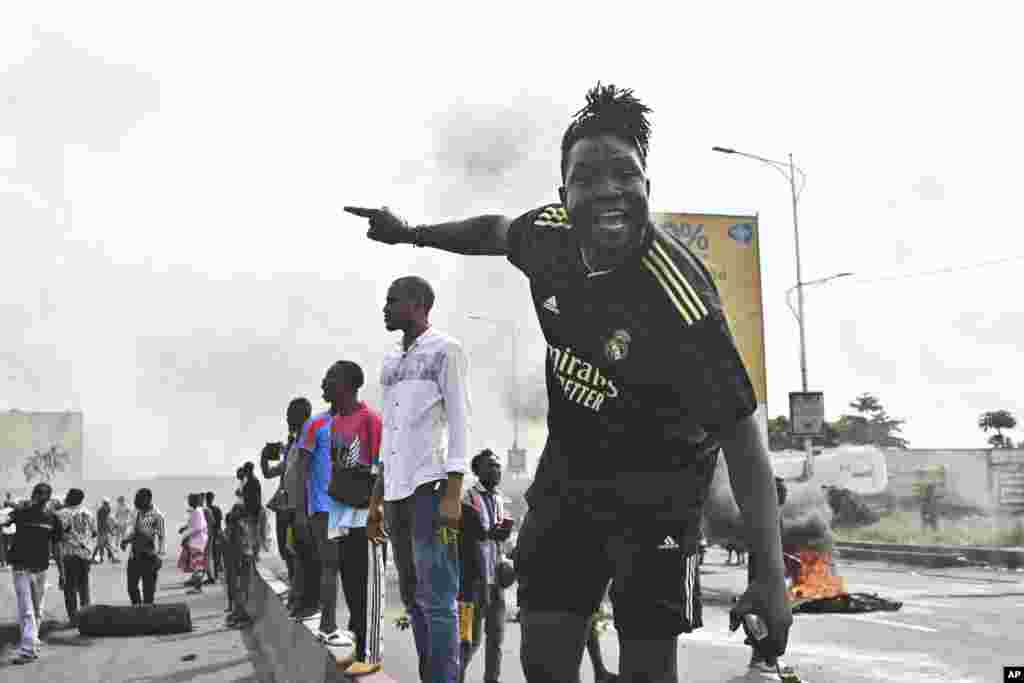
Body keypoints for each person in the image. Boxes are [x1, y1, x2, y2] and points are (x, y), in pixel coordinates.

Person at [345, 83, 791, 682]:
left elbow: (744, 441)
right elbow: (492, 231)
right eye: (587, 177)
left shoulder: (683, 303)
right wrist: (412, 233)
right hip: (571, 483)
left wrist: (769, 577)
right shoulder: (547, 237)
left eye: (624, 174)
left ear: (647, 189)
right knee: (544, 661)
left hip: (659, 498)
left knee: (646, 669)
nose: (608, 189)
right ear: (563, 195)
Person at [365, 275, 472, 683]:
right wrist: (376, 500)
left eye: (392, 300)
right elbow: (389, 433)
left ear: (418, 304)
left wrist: (453, 492)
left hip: (431, 487)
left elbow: (461, 421)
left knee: (438, 599)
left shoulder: (446, 350)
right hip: (395, 491)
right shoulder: (391, 360)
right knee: (412, 598)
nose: (386, 308)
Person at [301, 360, 382, 661]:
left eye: (330, 378)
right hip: (339, 513)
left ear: (348, 385)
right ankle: (359, 645)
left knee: (365, 585)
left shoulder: (371, 420)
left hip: (364, 513)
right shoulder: (332, 424)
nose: (323, 383)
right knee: (349, 581)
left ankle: (367, 653)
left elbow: (382, 469)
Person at [458, 450, 513, 683]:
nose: (496, 470)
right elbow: (465, 537)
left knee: (496, 640)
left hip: (497, 583)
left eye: (498, 466)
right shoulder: (467, 498)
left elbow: (502, 542)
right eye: (490, 466)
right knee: (469, 641)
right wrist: (488, 534)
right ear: (477, 470)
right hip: (473, 583)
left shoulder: (501, 499)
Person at [1, 483, 63, 665]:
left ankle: (32, 641)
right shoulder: (23, 513)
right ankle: (28, 649)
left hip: (41, 569)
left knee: (36, 610)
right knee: (27, 611)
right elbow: (5, 522)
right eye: (39, 495)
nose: (40, 499)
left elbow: (57, 547)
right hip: (22, 569)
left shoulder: (52, 518)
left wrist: (62, 572)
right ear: (34, 496)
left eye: (44, 496)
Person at [260, 397, 313, 588]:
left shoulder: (305, 444)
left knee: (296, 552)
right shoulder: (291, 450)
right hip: (285, 507)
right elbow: (268, 473)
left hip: (298, 508)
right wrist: (264, 457)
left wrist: (301, 511)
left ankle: (300, 592)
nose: (287, 419)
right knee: (286, 550)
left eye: (290, 415)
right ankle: (295, 588)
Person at [224, 487, 270, 628]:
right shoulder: (239, 527)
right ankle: (240, 613)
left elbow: (245, 544)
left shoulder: (236, 528)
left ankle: (241, 615)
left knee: (241, 587)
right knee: (241, 587)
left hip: (241, 558)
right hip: (242, 558)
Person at [57, 488, 96, 627]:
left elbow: (57, 535)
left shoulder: (61, 514)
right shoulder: (88, 513)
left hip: (69, 554)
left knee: (70, 588)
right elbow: (94, 533)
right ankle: (86, 617)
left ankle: (74, 619)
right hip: (85, 554)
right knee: (84, 586)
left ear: (70, 498)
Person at [121, 488, 166, 606]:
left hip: (149, 557)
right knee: (131, 588)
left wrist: (160, 556)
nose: (137, 503)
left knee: (148, 590)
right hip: (134, 556)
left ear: (148, 499)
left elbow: (161, 536)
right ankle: (138, 610)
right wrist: (125, 540)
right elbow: (131, 530)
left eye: (140, 501)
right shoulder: (135, 512)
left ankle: (147, 615)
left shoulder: (157, 515)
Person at [178, 493, 208, 594]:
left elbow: (197, 528)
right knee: (197, 565)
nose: (189, 502)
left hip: (198, 542)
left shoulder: (197, 512)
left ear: (194, 501)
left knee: (198, 565)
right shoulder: (196, 511)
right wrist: (185, 528)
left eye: (190, 500)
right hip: (197, 541)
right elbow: (194, 525)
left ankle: (198, 588)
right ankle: (196, 586)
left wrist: (186, 535)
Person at [92, 498, 118, 564]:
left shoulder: (105, 509)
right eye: (106, 504)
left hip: (104, 530)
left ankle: (112, 558)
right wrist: (110, 531)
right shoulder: (102, 511)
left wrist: (110, 530)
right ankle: (98, 558)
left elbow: (106, 521)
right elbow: (104, 522)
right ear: (104, 504)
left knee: (106, 544)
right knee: (100, 545)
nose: (108, 505)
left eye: (108, 504)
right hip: (102, 530)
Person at [205, 492, 224, 580]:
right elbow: (219, 523)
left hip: (211, 534)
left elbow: (217, 523)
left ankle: (214, 576)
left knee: (213, 556)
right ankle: (214, 575)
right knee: (215, 556)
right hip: (214, 534)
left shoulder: (206, 510)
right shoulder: (216, 509)